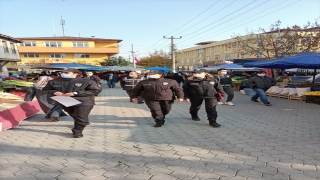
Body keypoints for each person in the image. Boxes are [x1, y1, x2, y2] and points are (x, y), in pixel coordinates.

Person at [42, 68, 102, 138]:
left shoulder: (86, 81)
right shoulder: (54, 82)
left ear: (76, 73)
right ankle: (83, 121)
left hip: (84, 102)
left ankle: (77, 131)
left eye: (67, 72)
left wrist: (75, 93)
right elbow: (46, 89)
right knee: (75, 115)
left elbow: (96, 90)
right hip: (65, 101)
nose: (64, 74)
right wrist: (54, 92)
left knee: (81, 116)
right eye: (63, 72)